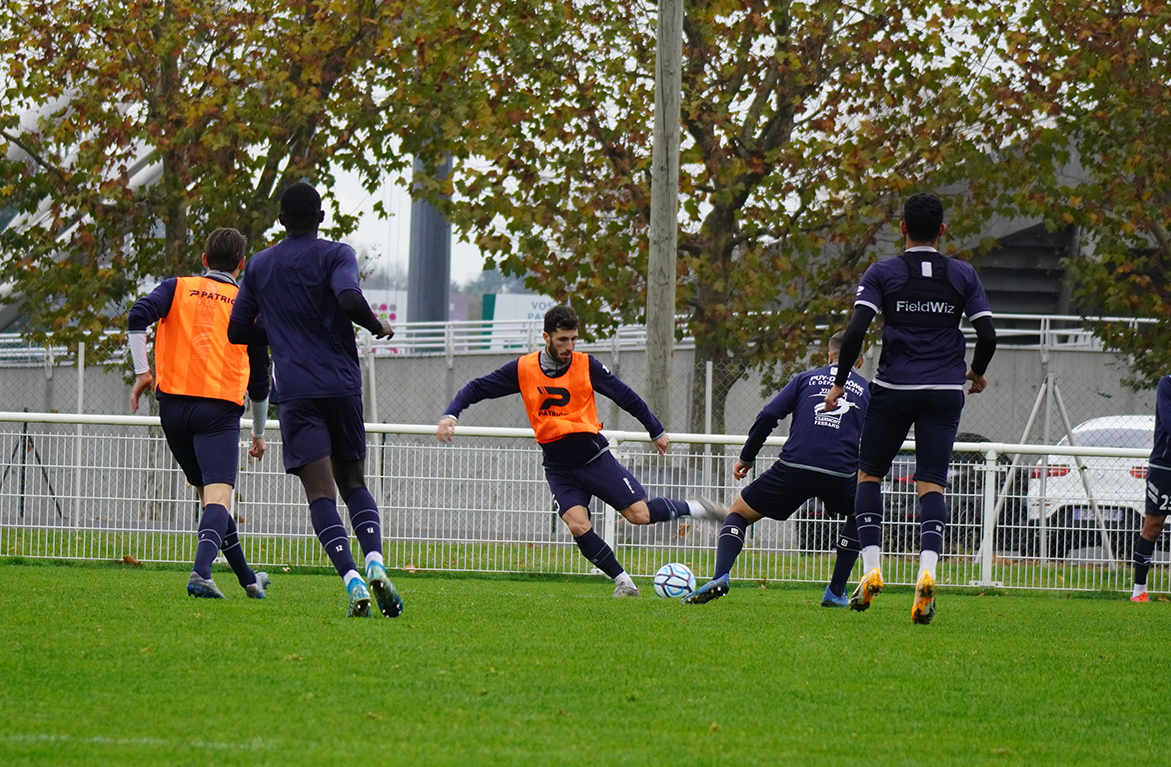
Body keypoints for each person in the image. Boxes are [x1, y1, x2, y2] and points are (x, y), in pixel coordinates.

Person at [436, 304, 727, 597]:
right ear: (546, 337)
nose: (569, 346)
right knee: (577, 525)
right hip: (559, 468)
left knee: (639, 515)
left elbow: (624, 395)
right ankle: (624, 583)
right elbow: (477, 388)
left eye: (574, 339)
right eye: (563, 339)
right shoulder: (523, 369)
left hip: (594, 459)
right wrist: (451, 414)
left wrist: (655, 429)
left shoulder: (586, 365)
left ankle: (699, 508)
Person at [227, 183, 402, 619]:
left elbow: (236, 330)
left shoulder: (261, 265)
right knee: (355, 484)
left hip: (298, 394)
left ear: (281, 220)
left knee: (320, 494)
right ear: (321, 217)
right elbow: (346, 297)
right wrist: (375, 324)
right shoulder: (337, 253)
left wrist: (281, 333)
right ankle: (376, 561)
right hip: (342, 386)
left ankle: (352, 579)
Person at [823, 192, 997, 624]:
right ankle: (926, 573)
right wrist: (975, 372)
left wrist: (840, 383)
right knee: (931, 484)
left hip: (895, 387)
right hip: (943, 390)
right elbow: (989, 334)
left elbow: (856, 330)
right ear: (942, 229)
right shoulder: (963, 274)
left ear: (902, 227)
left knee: (869, 475)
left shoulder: (883, 272)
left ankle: (871, 571)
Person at [128, 227, 271, 601]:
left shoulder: (176, 287)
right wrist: (258, 433)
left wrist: (143, 372)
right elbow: (260, 381)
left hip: (172, 408)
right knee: (220, 498)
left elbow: (137, 315)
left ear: (205, 261)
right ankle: (201, 573)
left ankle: (249, 579)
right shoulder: (247, 304)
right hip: (218, 409)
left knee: (211, 500)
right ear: (241, 265)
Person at [682, 331, 869, 606]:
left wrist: (747, 457)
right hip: (841, 472)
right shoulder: (867, 390)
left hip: (794, 466)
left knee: (738, 513)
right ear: (861, 361)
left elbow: (769, 415)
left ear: (828, 356)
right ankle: (835, 592)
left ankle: (720, 577)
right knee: (859, 513)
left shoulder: (805, 379)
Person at [1130, 374, 1171, 601]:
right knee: (1153, 526)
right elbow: (1168, 420)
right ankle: (1139, 590)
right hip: (1165, 466)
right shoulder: (1167, 384)